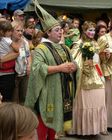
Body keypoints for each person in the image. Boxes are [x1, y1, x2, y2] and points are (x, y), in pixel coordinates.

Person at [25, 1, 77, 140]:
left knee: (56, 120)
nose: (60, 32)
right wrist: (60, 68)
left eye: (61, 29)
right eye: (56, 30)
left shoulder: (65, 47)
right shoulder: (41, 48)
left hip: (62, 90)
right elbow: (37, 68)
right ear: (48, 32)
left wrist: (74, 66)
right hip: (47, 90)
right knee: (45, 120)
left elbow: (73, 63)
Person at [71, 21, 107, 135]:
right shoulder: (78, 44)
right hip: (84, 77)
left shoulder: (95, 43)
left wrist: (105, 57)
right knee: (85, 104)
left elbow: (99, 61)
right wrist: (85, 64)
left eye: (93, 30)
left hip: (97, 75)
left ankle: (94, 129)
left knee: (98, 101)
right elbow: (73, 61)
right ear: (84, 31)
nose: (92, 33)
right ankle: (82, 129)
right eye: (89, 30)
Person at [11, 21, 31, 104]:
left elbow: (28, 55)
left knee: (24, 97)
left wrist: (29, 65)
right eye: (17, 30)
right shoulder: (8, 42)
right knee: (14, 99)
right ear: (11, 31)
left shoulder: (25, 42)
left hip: (25, 73)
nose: (20, 33)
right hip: (13, 74)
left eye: (21, 31)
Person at [0, 20, 19, 101]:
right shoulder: (7, 40)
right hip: (7, 73)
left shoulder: (5, 40)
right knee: (6, 98)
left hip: (6, 72)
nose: (10, 33)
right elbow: (17, 50)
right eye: (9, 31)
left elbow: (17, 53)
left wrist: (2, 60)